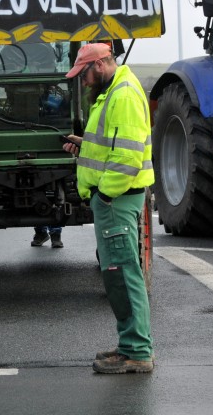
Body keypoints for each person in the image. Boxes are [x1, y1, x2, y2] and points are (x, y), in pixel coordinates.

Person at [62, 43, 154, 374]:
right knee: (119, 275)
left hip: (116, 198)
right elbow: (115, 147)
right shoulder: (115, 91)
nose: (83, 82)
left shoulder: (123, 95)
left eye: (84, 74)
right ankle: (130, 345)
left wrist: (104, 195)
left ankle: (138, 352)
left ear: (99, 65)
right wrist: (85, 147)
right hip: (115, 198)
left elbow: (128, 156)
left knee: (124, 275)